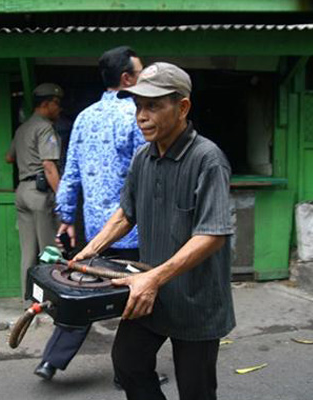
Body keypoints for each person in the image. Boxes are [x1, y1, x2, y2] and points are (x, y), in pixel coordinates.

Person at [74, 62, 236, 400]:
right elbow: (125, 214)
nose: (141, 116)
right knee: (128, 363)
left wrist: (155, 278)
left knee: (196, 391)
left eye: (153, 105)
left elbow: (213, 234)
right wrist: (89, 251)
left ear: (182, 107)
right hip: (150, 291)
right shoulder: (142, 159)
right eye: (138, 106)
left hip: (197, 300)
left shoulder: (207, 159)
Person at [34, 46, 148, 383]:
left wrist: (66, 217)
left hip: (96, 231)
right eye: (142, 73)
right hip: (131, 229)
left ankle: (51, 360)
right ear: (127, 79)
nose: (146, 79)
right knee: (134, 301)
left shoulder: (85, 117)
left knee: (87, 296)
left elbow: (70, 175)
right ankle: (128, 373)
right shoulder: (137, 116)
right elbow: (147, 172)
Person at [5, 83, 63, 300]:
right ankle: (53, 299)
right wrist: (61, 196)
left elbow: (8, 157)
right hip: (39, 193)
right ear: (46, 104)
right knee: (50, 251)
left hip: (22, 191)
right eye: (56, 104)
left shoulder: (22, 128)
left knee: (28, 252)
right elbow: (48, 166)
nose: (59, 109)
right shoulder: (45, 128)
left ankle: (28, 300)